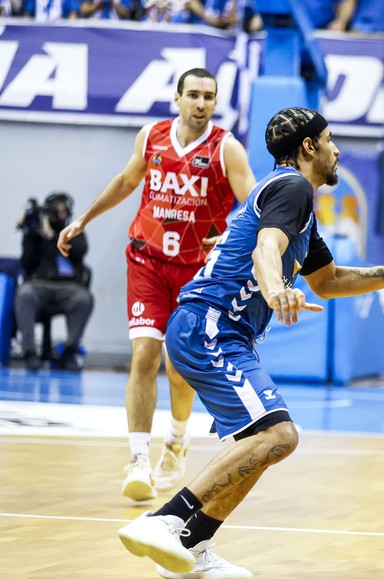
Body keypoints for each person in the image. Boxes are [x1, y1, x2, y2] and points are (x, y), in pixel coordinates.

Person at [115, 107, 384, 579]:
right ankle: (166, 519)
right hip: (210, 324)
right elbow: (265, 248)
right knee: (280, 435)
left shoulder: (299, 208)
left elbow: (329, 282)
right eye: (330, 140)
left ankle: (193, 544)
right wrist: (274, 289)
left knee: (260, 444)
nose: (337, 150)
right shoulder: (292, 187)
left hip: (221, 332)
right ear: (309, 146)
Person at [57, 68, 257, 503]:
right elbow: (127, 181)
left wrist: (228, 236)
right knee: (144, 354)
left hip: (196, 271)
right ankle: (137, 461)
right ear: (177, 98)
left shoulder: (226, 148)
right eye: (194, 95)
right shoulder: (151, 137)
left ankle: (177, 439)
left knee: (178, 365)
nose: (201, 103)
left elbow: (256, 206)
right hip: (146, 259)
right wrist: (84, 218)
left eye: (209, 96)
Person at [15, 193, 93, 372]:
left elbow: (78, 253)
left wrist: (51, 236)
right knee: (24, 294)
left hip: (68, 287)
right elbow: (26, 263)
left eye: (63, 210)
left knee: (83, 298)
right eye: (56, 210)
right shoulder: (35, 234)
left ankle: (69, 351)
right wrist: (30, 234)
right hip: (39, 285)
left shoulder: (74, 231)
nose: (60, 214)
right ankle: (29, 353)